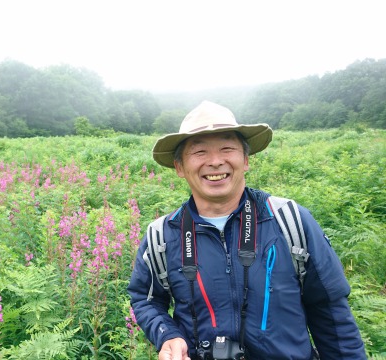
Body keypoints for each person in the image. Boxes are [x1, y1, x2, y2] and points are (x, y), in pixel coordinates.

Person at [127, 101, 366, 360]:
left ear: (246, 159)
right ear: (180, 167)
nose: (216, 162)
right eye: (199, 152)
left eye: (227, 148)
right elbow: (146, 299)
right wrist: (167, 334)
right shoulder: (162, 235)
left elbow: (331, 314)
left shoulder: (289, 220)